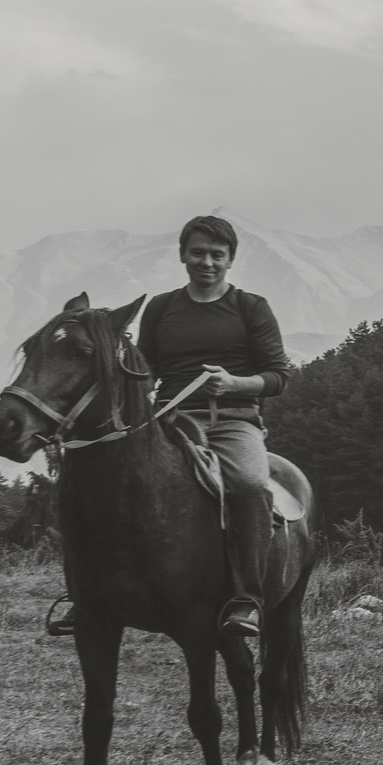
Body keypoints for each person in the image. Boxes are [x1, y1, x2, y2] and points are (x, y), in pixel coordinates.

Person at [50, 213, 291, 638]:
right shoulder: (162, 307)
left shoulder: (251, 308)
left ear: (231, 259)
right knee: (98, 481)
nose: (207, 262)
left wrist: (234, 383)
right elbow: (147, 368)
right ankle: (86, 593)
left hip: (233, 423)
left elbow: (277, 376)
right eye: (198, 253)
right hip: (169, 419)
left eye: (217, 255)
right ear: (182, 255)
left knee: (252, 487)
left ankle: (246, 599)